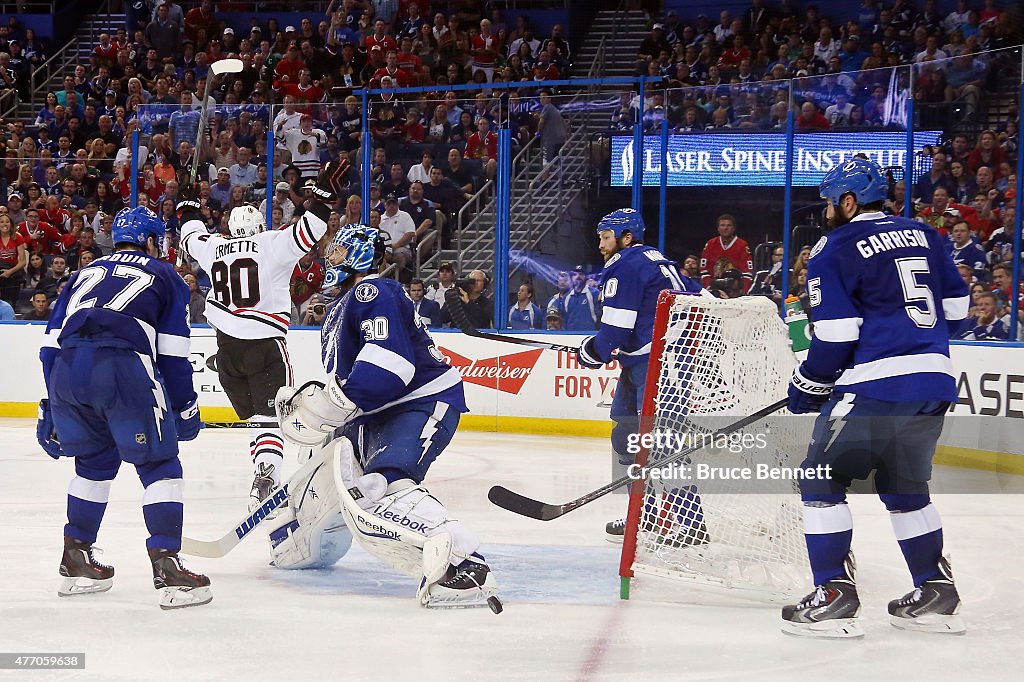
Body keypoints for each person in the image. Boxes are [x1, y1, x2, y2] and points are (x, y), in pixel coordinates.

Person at [268, 220, 500, 609]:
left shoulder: (371, 290)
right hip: (375, 414)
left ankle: (466, 566)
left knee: (385, 485)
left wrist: (326, 406)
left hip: (416, 403)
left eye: (339, 252)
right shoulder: (344, 306)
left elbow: (389, 365)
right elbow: (354, 383)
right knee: (338, 481)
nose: (331, 260)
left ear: (358, 255)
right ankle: (302, 536)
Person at [782, 157, 969, 637]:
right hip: (933, 382)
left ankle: (833, 595)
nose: (826, 211)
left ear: (848, 201)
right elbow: (959, 311)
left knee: (821, 479)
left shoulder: (834, 248)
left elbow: (837, 336)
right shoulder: (929, 235)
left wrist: (808, 383)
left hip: (875, 384)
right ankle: (934, 590)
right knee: (905, 489)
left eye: (829, 201)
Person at [36, 205, 208, 609]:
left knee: (93, 465)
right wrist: (183, 408)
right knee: (160, 463)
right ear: (151, 241)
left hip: (66, 370)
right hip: (120, 365)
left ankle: (76, 558)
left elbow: (48, 345)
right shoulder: (165, 275)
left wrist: (50, 406)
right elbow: (173, 355)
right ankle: (168, 567)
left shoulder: (83, 273)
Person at [177, 163, 343, 510]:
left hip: (226, 352)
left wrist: (189, 206)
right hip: (264, 344)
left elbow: (191, 236)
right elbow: (311, 228)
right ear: (257, 227)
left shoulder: (213, 247)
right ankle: (270, 475)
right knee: (272, 419)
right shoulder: (270, 243)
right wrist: (325, 196)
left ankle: (262, 471)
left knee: (257, 420)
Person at [575, 209, 703, 540]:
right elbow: (698, 294)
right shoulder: (658, 261)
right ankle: (642, 513)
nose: (600, 244)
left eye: (606, 237)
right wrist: (601, 348)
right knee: (626, 435)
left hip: (662, 361)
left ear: (626, 237)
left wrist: (592, 352)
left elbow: (616, 328)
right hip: (643, 361)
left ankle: (691, 524)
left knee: (662, 440)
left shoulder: (627, 264)